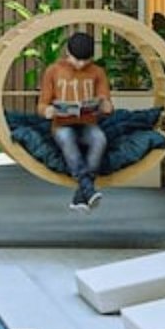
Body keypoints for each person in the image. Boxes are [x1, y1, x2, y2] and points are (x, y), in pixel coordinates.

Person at [38, 31, 114, 212]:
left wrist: (105, 105)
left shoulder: (97, 72)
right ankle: (87, 188)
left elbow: (107, 103)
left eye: (85, 61)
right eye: (76, 60)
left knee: (99, 139)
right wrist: (48, 110)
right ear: (67, 53)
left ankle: (82, 194)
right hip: (61, 125)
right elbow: (41, 104)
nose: (80, 65)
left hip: (88, 123)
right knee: (66, 139)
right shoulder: (53, 71)